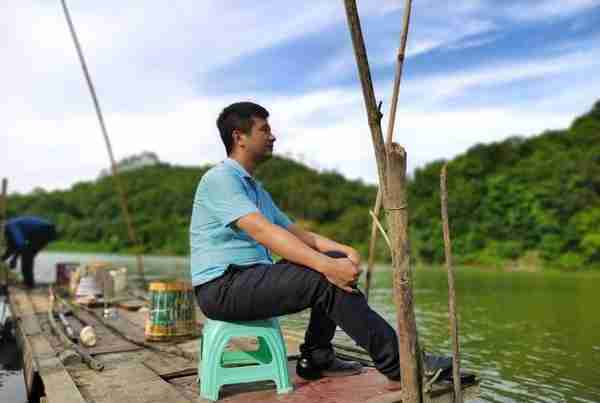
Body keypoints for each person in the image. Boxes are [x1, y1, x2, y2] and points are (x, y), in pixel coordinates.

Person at [190, 102, 401, 389]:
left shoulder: (256, 189)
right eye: (264, 129)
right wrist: (326, 266)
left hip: (248, 279)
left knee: (332, 260)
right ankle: (402, 364)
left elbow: (295, 233)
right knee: (324, 277)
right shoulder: (220, 179)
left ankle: (317, 357)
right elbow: (263, 231)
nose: (272, 136)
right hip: (222, 287)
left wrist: (342, 252)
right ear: (239, 137)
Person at [2, 216, 57, 288]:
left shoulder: (11, 226)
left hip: (43, 230)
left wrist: (14, 259)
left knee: (27, 256)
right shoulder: (12, 227)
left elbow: (21, 245)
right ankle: (29, 283)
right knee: (28, 255)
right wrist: (3, 259)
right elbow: (11, 249)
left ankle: (29, 284)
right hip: (47, 230)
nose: (5, 239)